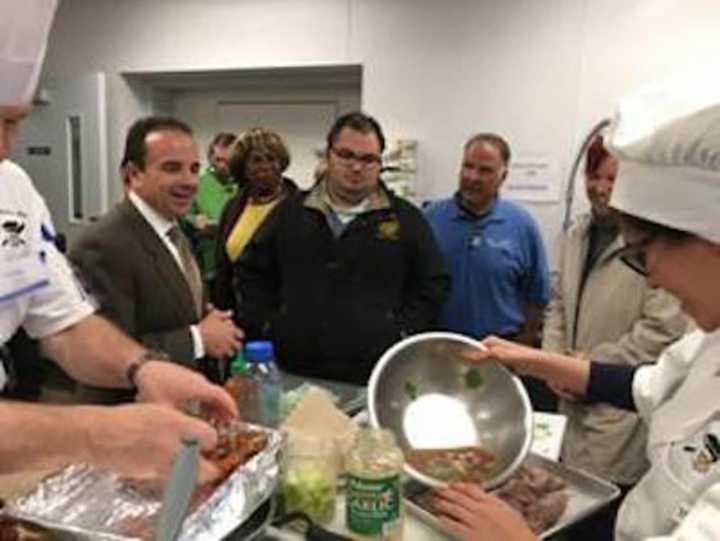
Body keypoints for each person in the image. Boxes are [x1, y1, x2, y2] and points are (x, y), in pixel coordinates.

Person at [435, 79, 720, 540]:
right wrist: (533, 359)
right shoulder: (709, 342)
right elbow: (647, 385)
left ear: (708, 241)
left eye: (643, 253)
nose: (650, 278)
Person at [0, 0, 236, 483]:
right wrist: (97, 434)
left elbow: (65, 324)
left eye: (13, 122)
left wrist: (142, 368)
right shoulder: (109, 239)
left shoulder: (13, 189)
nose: (3, 148)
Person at [542, 135, 687, 539]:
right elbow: (556, 303)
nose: (601, 187)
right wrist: (555, 362)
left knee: (606, 512)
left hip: (618, 408)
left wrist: (585, 365)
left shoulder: (653, 244)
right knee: (570, 510)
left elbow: (661, 330)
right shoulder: (576, 233)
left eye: (613, 178)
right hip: (569, 397)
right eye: (594, 174)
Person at [236, 112, 450, 384]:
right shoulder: (290, 213)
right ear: (328, 156)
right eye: (346, 155)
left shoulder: (405, 220)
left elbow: (433, 285)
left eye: (367, 159)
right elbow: (252, 272)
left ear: (379, 163)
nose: (356, 167)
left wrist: (400, 332)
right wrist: (268, 325)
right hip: (294, 369)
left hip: (372, 373)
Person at [69, 117, 245, 402]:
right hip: (128, 420)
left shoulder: (172, 229)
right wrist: (199, 338)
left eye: (194, 169)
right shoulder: (103, 245)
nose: (189, 181)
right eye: (172, 168)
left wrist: (206, 316)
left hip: (178, 406)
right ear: (132, 175)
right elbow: (102, 353)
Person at [424, 133, 552, 409]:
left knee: (492, 424)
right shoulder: (431, 219)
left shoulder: (521, 225)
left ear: (503, 176)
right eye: (468, 166)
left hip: (500, 352)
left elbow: (537, 297)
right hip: (441, 350)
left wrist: (521, 351)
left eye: (485, 170)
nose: (473, 177)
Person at [212, 127, 298, 311]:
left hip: (283, 316)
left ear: (281, 163)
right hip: (236, 315)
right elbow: (223, 269)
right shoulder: (233, 207)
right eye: (256, 160)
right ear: (243, 167)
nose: (264, 166)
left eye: (271, 158)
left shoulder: (300, 207)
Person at [186, 132, 238, 290]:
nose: (222, 166)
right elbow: (179, 216)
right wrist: (193, 220)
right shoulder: (197, 184)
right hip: (209, 264)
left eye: (228, 161)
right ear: (210, 159)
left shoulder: (247, 184)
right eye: (218, 160)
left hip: (241, 267)